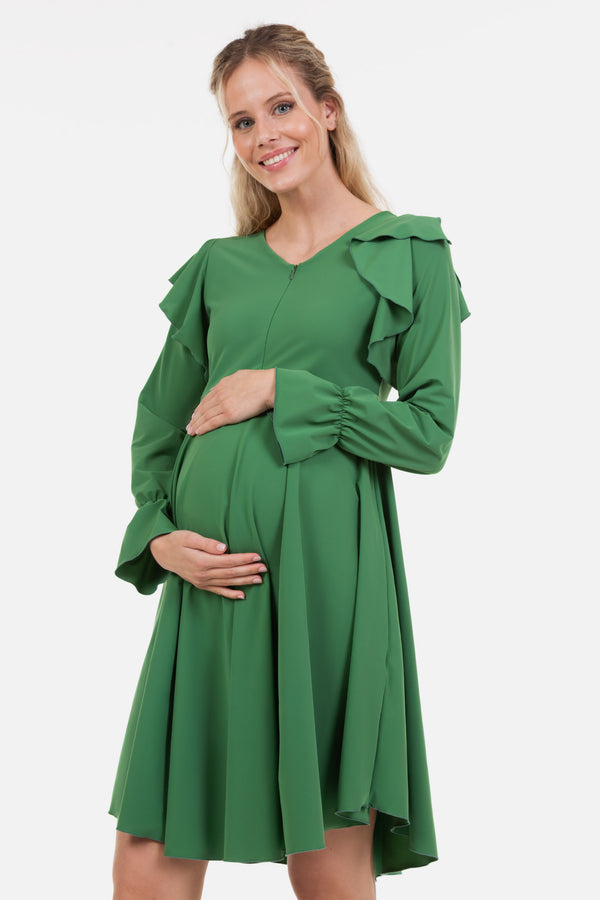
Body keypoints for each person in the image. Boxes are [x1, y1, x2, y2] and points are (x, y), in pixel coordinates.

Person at [108, 22, 470, 900]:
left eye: (280, 107)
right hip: (208, 586)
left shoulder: (408, 254)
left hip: (327, 583)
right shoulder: (219, 268)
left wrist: (285, 389)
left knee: (329, 851)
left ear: (327, 110)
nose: (264, 135)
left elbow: (428, 434)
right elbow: (159, 424)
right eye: (241, 121)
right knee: (149, 848)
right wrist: (159, 537)